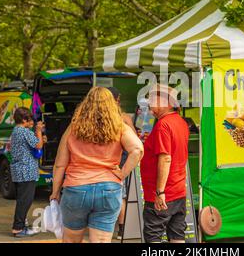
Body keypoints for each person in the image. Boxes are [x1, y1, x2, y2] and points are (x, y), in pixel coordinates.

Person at [49, 87, 143, 243]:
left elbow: (60, 164)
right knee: (101, 240)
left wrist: (55, 192)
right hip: (109, 188)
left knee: (71, 240)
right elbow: (137, 150)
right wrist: (122, 174)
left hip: (76, 188)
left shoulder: (74, 128)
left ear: (86, 103)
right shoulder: (119, 127)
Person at [140, 84, 190, 243]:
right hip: (178, 191)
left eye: (153, 100)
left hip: (163, 193)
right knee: (177, 236)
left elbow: (166, 158)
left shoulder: (163, 125)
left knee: (153, 237)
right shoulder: (180, 122)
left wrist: (159, 192)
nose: (150, 104)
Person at [10, 107, 44, 237]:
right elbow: (38, 145)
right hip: (26, 171)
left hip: (19, 170)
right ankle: (18, 228)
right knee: (25, 200)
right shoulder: (24, 131)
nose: (32, 123)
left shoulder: (16, 131)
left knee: (22, 199)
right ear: (24, 120)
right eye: (30, 120)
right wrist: (39, 131)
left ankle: (22, 225)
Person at [107, 87, 135, 240]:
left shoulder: (97, 118)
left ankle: (108, 227)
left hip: (103, 163)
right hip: (121, 163)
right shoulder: (123, 117)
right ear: (118, 99)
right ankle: (121, 229)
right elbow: (135, 140)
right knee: (121, 196)